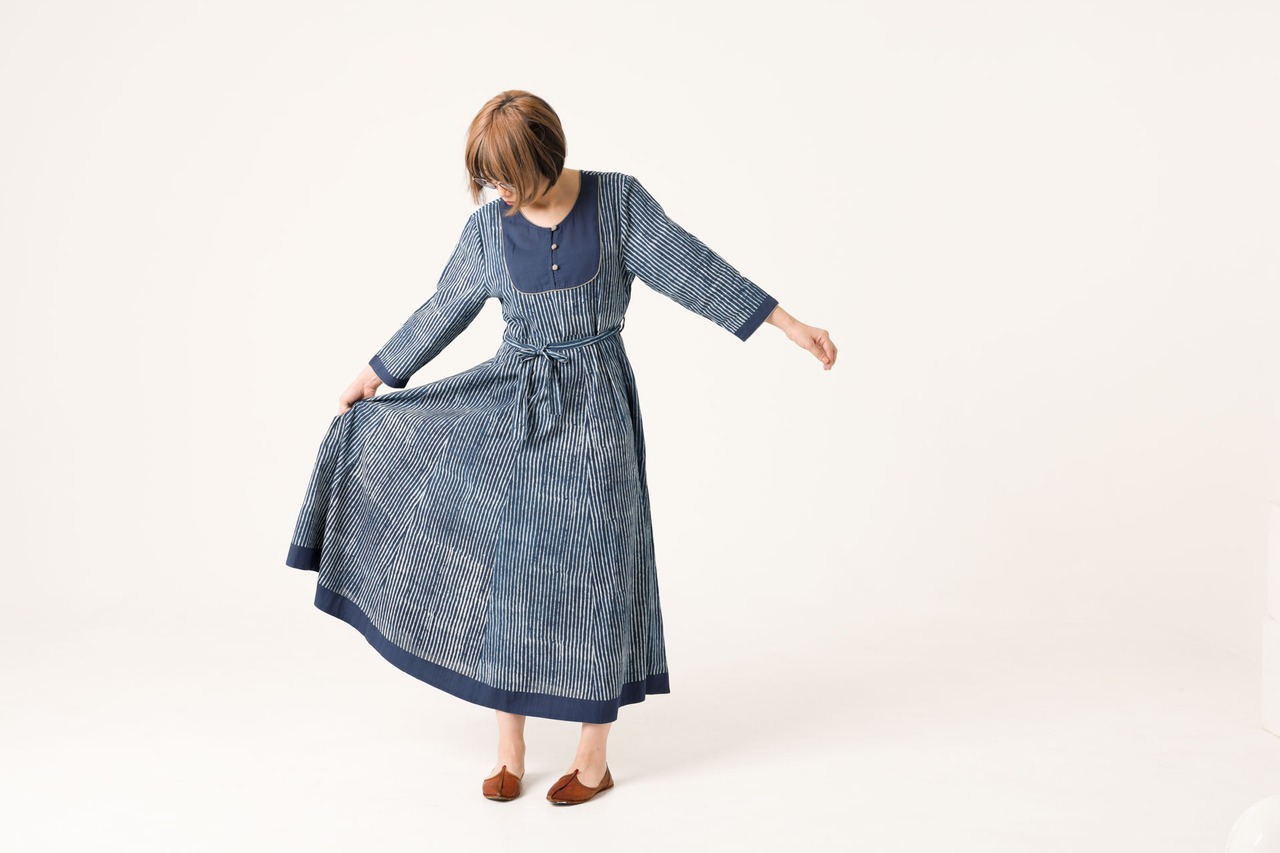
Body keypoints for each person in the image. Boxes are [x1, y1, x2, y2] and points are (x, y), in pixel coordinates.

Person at [284, 90, 837, 805]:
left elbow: (697, 271)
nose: (501, 192)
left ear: (546, 157)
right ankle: (509, 750)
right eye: (490, 180)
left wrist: (787, 323)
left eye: (509, 177)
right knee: (509, 574)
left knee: (599, 576)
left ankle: (592, 759)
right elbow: (443, 306)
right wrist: (376, 372)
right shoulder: (489, 229)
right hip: (513, 410)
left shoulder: (617, 204)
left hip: (598, 413)